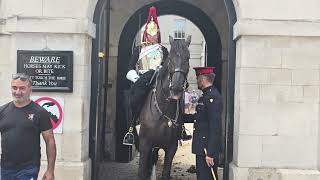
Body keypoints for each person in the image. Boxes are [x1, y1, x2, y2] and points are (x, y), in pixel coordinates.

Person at [0, 73, 56, 180]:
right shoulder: (2, 111)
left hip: (28, 168)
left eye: (22, 88)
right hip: (5, 168)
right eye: (14, 88)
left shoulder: (40, 112)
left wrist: (50, 170)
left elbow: (50, 141)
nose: (17, 92)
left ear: (30, 90)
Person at [183, 67, 223, 180]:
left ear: (203, 79)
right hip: (202, 148)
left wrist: (210, 153)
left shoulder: (212, 97)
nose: (196, 81)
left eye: (197, 78)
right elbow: (200, 118)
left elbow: (215, 127)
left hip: (207, 149)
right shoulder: (205, 96)